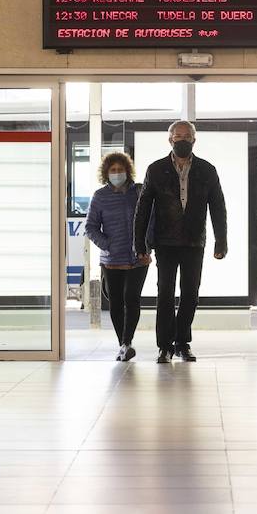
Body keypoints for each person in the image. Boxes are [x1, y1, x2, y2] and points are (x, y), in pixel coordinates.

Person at [134, 120, 227, 364]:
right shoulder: (155, 169)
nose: (182, 139)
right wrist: (139, 243)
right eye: (178, 136)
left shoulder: (207, 170)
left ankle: (182, 343)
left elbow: (218, 207)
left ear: (194, 140)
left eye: (187, 136)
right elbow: (142, 208)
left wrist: (221, 241)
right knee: (165, 293)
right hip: (164, 242)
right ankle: (164, 346)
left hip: (194, 242)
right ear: (170, 140)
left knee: (190, 295)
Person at [85, 151, 150, 362]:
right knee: (115, 302)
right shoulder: (100, 196)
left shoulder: (139, 192)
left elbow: (152, 220)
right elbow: (90, 227)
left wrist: (147, 247)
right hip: (111, 260)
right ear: (106, 173)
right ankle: (123, 344)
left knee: (132, 298)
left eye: (120, 169)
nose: (117, 173)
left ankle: (127, 341)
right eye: (113, 170)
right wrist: (107, 245)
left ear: (127, 170)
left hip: (138, 257)